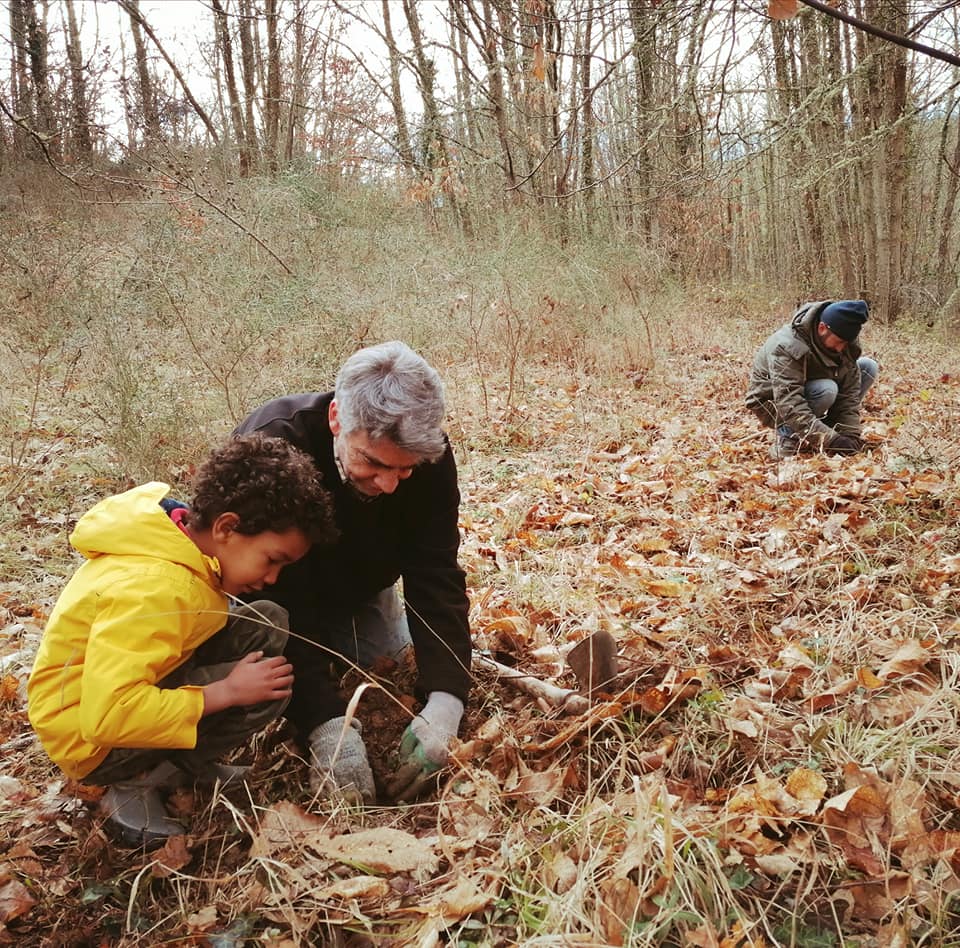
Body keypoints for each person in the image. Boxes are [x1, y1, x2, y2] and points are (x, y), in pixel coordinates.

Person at [27, 434, 336, 848]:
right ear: (227, 527)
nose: (273, 577)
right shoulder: (154, 587)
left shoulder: (182, 546)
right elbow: (108, 716)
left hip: (118, 698)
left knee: (267, 622)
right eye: (272, 559)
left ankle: (178, 766)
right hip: (91, 741)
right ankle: (137, 781)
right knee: (261, 689)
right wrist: (225, 692)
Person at [233, 340, 472, 805]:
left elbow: (435, 572)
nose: (387, 485)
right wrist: (325, 724)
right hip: (268, 598)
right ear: (337, 418)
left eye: (404, 472)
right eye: (373, 462)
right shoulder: (273, 445)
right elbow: (277, 596)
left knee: (389, 658)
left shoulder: (430, 458)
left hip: (360, 591)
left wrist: (447, 698)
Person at [745, 299, 880, 458]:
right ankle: (788, 435)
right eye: (839, 342)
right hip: (772, 402)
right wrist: (830, 440)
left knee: (868, 367)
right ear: (822, 328)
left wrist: (849, 435)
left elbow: (849, 396)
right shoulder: (788, 345)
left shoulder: (844, 341)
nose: (841, 348)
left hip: (810, 389)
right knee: (827, 389)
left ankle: (827, 427)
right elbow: (789, 400)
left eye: (846, 343)